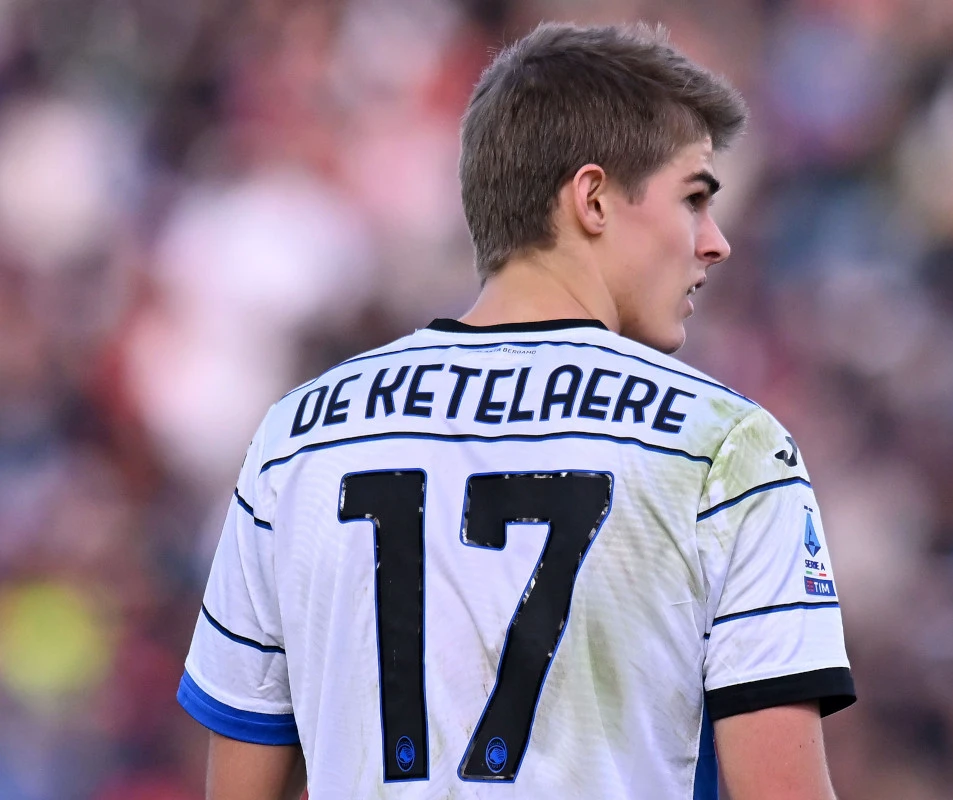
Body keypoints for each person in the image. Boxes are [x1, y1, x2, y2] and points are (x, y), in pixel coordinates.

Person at [177, 21, 855, 800]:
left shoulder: (295, 440)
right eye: (694, 198)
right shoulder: (726, 448)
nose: (716, 243)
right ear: (593, 199)